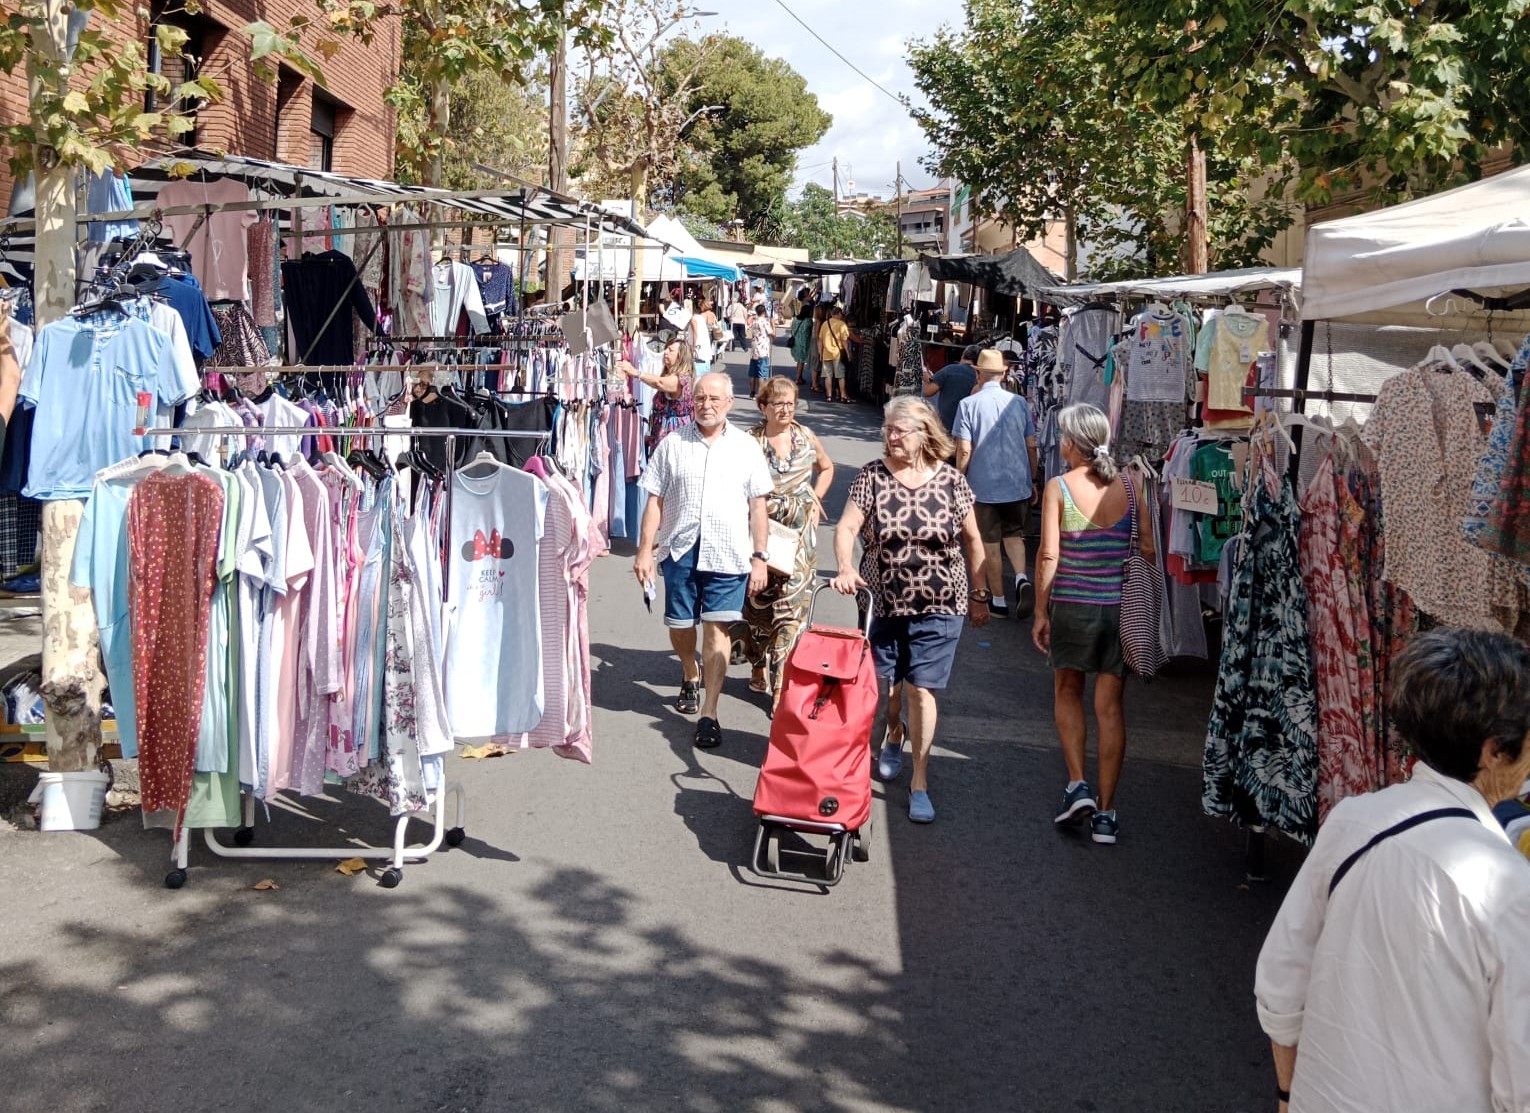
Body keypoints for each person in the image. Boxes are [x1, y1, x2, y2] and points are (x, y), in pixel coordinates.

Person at [1255, 628, 1530, 1113]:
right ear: (1493, 750)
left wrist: (1287, 1095)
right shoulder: (1508, 885)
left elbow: (1280, 983)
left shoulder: (1352, 821)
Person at [832, 395, 988, 824]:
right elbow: (846, 526)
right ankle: (893, 730)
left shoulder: (953, 482)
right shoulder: (872, 477)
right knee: (886, 687)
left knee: (922, 688)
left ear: (924, 436)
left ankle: (920, 780)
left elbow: (973, 540)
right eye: (888, 430)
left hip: (942, 601)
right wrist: (845, 565)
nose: (891, 437)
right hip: (883, 599)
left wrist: (980, 593)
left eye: (899, 431)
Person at [634, 371, 773, 750]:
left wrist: (760, 557)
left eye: (714, 399)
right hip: (680, 549)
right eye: (699, 398)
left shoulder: (746, 447)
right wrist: (645, 549)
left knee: (718, 630)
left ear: (729, 403)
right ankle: (689, 670)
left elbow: (758, 506)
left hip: (728, 553)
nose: (706, 405)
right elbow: (654, 502)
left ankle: (709, 711)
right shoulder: (672, 444)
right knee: (680, 626)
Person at [1031, 402, 1148, 845]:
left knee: (1067, 692)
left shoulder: (1059, 487)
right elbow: (1150, 549)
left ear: (1074, 443)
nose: (1059, 443)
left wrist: (1041, 611)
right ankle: (1106, 812)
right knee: (1111, 708)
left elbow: (1048, 556)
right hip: (1119, 610)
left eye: (1062, 436)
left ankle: (1077, 784)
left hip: (1073, 607)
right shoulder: (1133, 485)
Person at [742, 377, 835, 703]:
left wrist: (815, 501)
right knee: (756, 610)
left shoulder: (805, 436)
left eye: (790, 403)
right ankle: (757, 662)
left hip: (798, 541)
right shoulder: (748, 442)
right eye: (778, 403)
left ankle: (781, 688)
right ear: (763, 406)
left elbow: (827, 468)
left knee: (790, 613)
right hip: (761, 536)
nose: (785, 410)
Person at [954, 349, 1038, 620]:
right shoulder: (1019, 403)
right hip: (1016, 481)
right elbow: (1032, 445)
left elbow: (965, 449)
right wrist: (1032, 477)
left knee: (989, 543)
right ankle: (1022, 578)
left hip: (984, 485)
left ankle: (999, 602)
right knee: (1014, 536)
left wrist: (957, 479)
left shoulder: (969, 404)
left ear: (978, 373)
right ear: (1003, 374)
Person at [619, 335, 695, 456]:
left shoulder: (682, 379)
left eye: (671, 350)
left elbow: (659, 383)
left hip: (676, 435)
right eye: (666, 349)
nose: (665, 352)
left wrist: (636, 372)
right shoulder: (669, 376)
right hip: (662, 433)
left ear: (681, 356)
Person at [923, 344, 980, 431]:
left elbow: (927, 392)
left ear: (963, 355)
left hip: (944, 426)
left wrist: (927, 379)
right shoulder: (979, 377)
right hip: (966, 428)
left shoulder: (949, 370)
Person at [819, 305, 851, 403]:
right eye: (841, 314)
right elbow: (844, 340)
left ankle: (829, 396)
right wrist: (848, 353)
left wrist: (820, 353)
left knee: (828, 376)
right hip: (837, 353)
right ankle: (842, 395)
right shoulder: (842, 325)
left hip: (826, 353)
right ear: (839, 314)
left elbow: (820, 340)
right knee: (840, 376)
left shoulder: (825, 324)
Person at [746, 304, 775, 399]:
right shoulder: (765, 322)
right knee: (762, 373)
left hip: (754, 348)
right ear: (764, 312)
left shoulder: (754, 322)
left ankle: (752, 392)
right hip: (763, 349)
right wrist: (773, 325)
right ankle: (761, 393)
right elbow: (772, 334)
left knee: (753, 372)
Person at [687, 295, 718, 373]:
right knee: (709, 348)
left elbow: (696, 331)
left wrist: (693, 346)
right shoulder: (712, 314)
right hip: (710, 333)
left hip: (705, 333)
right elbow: (715, 322)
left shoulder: (701, 316)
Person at [790, 297, 814, 384]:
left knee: (799, 361)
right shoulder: (808, 321)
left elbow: (792, 329)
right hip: (804, 343)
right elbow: (811, 331)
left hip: (796, 342)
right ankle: (798, 378)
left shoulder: (796, 319)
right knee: (801, 361)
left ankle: (799, 376)